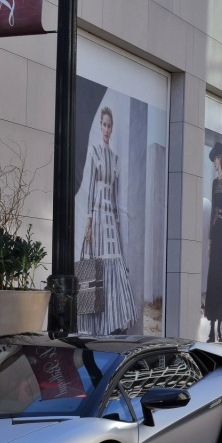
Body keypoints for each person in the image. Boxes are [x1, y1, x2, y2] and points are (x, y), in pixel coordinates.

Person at [78, 105, 137, 334]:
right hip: (98, 218)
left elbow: (114, 193)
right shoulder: (94, 152)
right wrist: (89, 221)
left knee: (114, 265)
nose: (106, 129)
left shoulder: (115, 158)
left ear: (112, 129)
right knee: (95, 269)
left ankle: (112, 323)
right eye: (103, 124)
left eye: (109, 125)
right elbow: (92, 188)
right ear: (99, 126)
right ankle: (94, 327)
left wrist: (118, 220)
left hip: (111, 219)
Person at [204, 142, 222, 342]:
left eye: (215, 159)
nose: (214, 163)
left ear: (219, 159)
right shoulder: (214, 184)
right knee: (213, 277)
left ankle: (220, 327)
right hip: (215, 232)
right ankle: (212, 328)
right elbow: (213, 210)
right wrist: (209, 239)